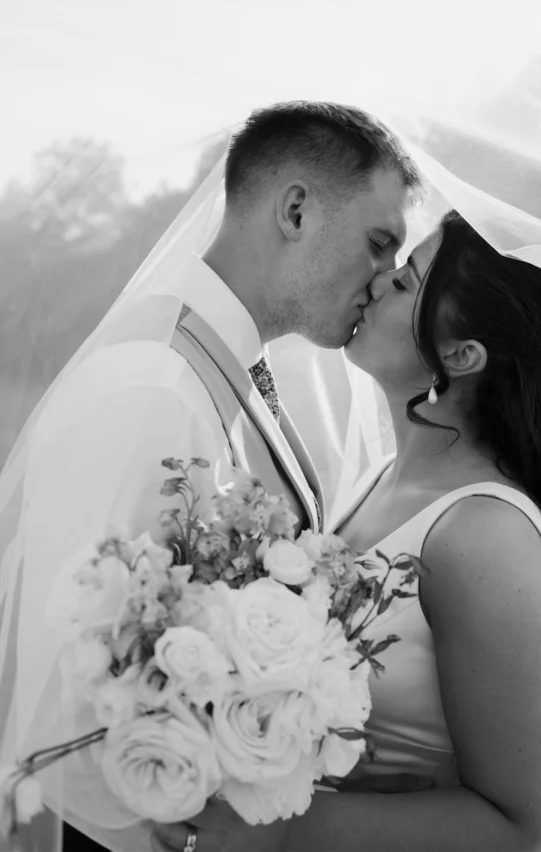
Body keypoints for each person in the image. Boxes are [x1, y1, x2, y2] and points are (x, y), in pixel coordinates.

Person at [0, 100, 420, 852]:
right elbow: (64, 703)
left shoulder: (227, 370)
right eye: (379, 243)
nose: (385, 281)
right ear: (296, 209)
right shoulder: (153, 387)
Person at [152, 209, 541, 852]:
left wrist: (279, 833)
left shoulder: (485, 535)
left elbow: (518, 829)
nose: (377, 281)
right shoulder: (386, 477)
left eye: (405, 282)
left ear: (461, 356)